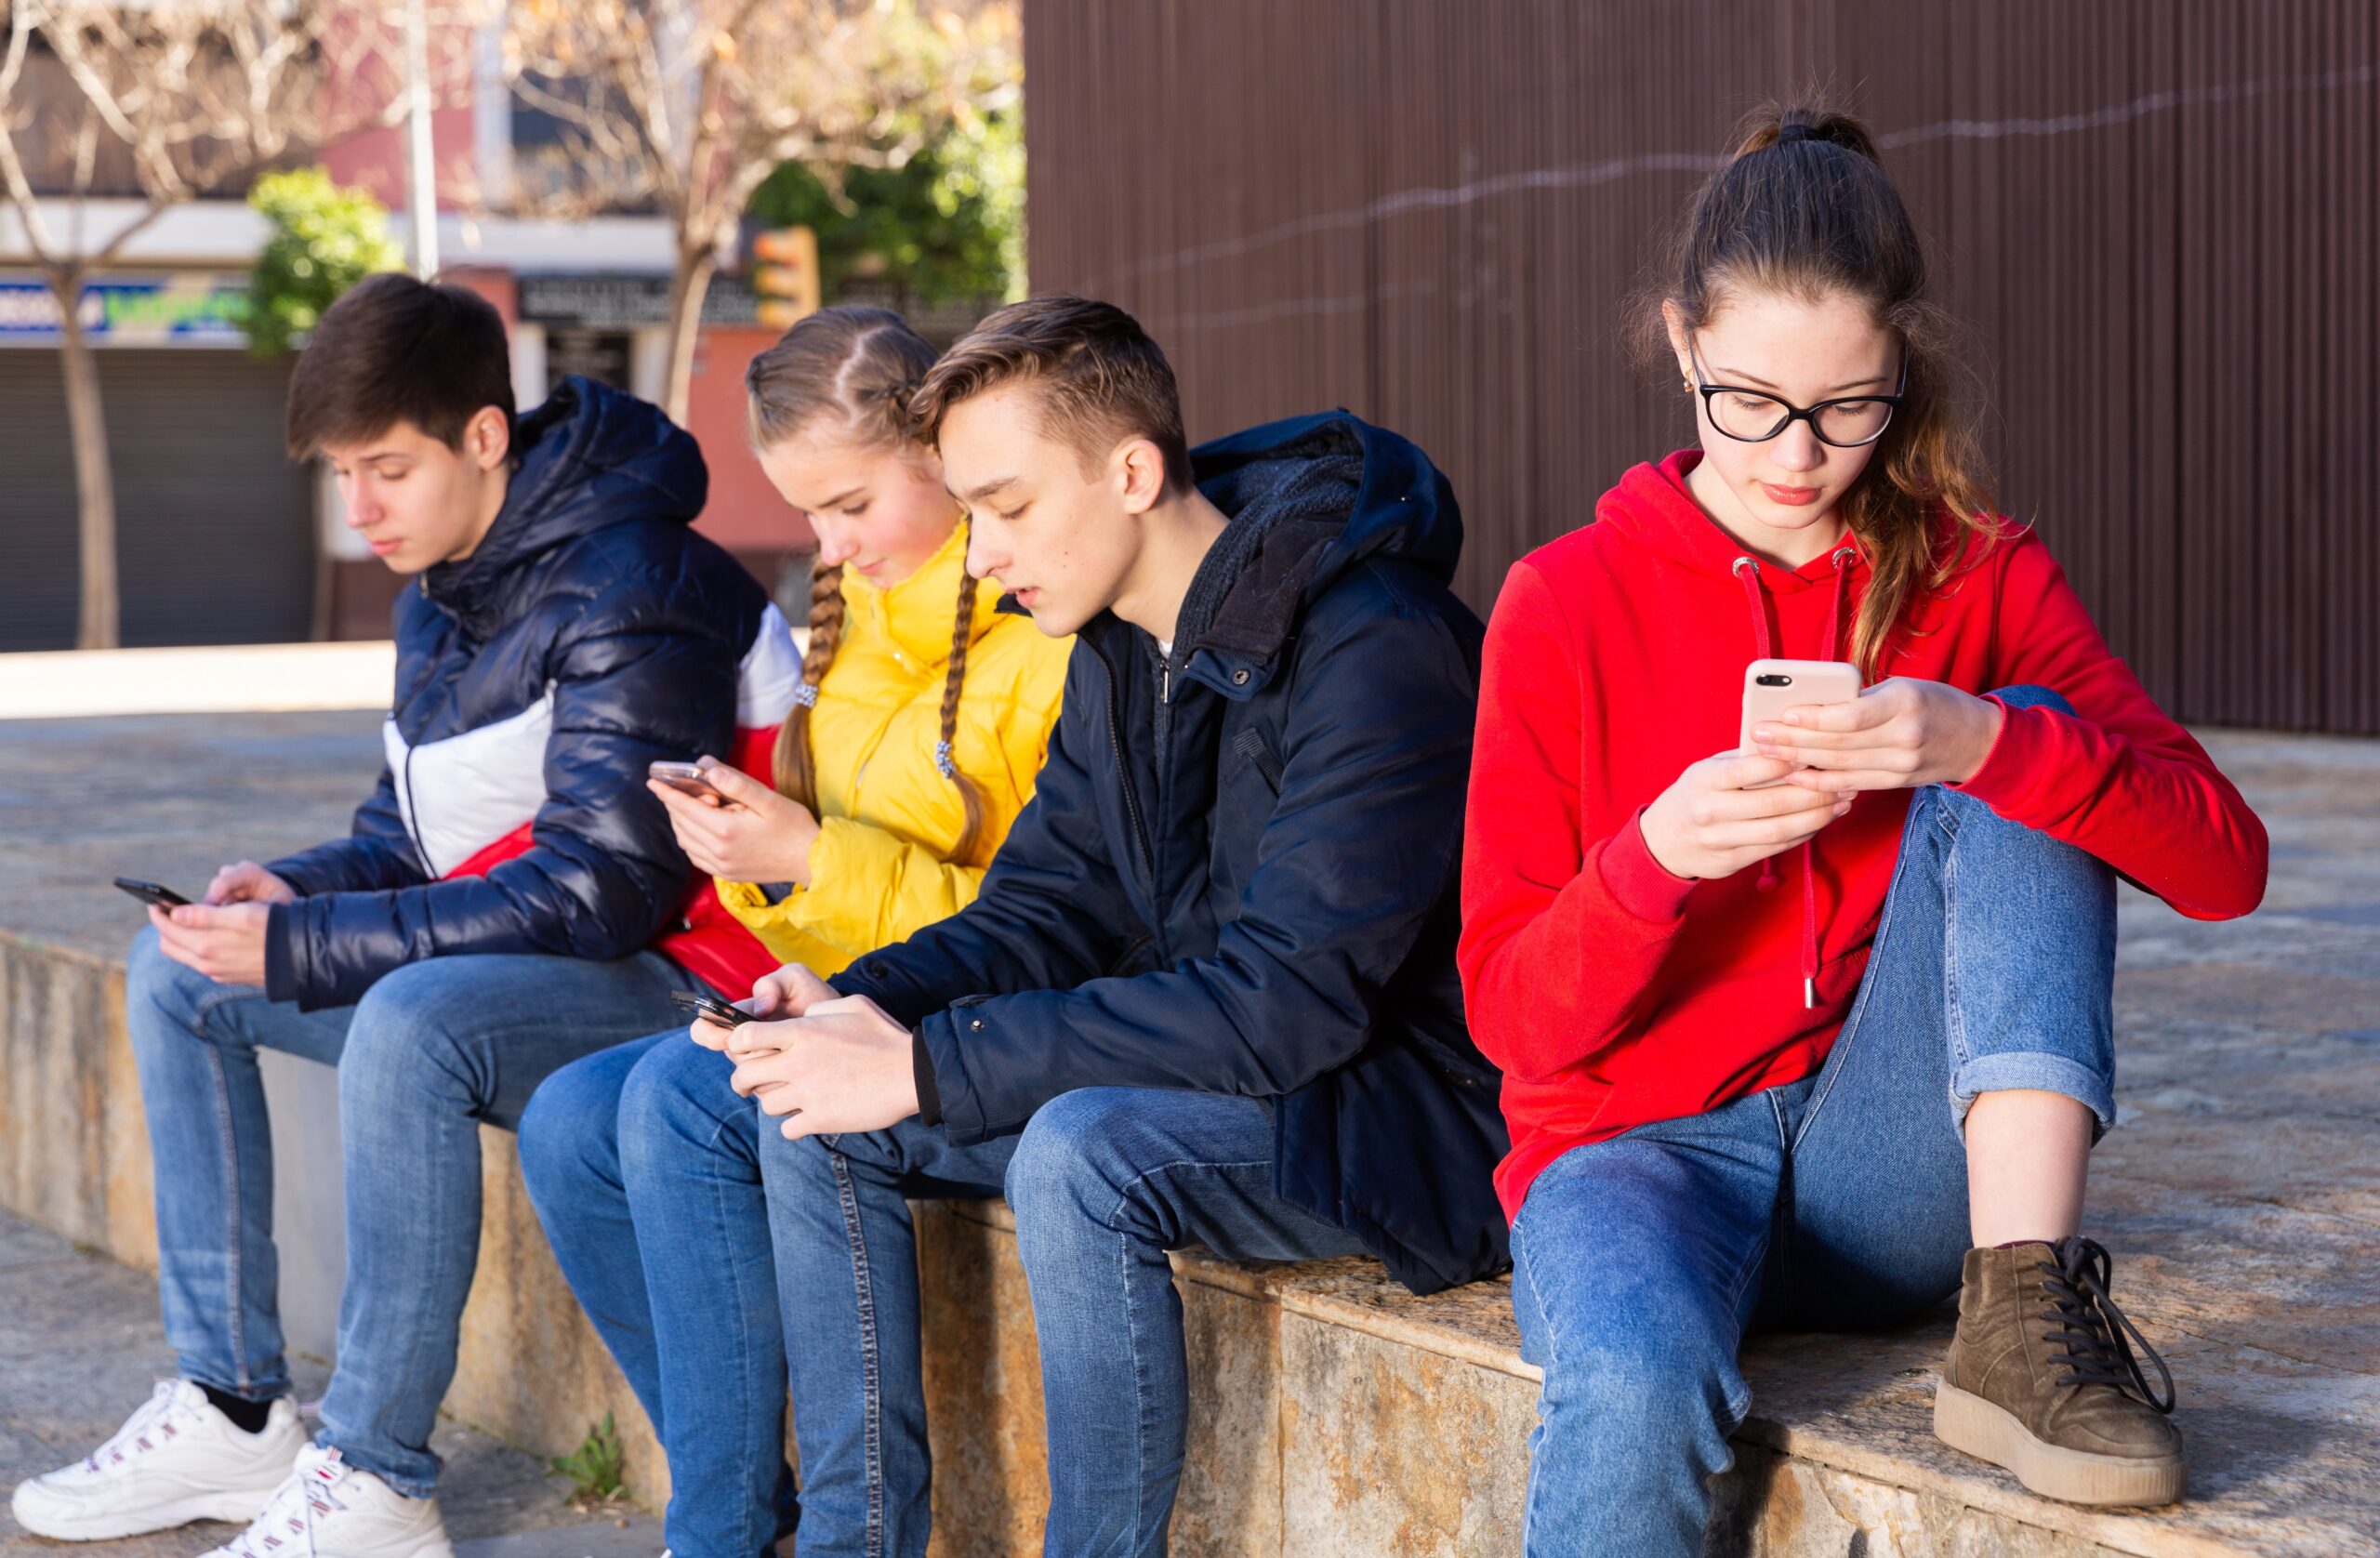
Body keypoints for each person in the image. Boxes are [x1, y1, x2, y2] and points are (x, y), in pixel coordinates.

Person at [1457, 106, 2269, 1556]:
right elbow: (1514, 1021)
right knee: (1634, 1377)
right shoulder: (1562, 599)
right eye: (1749, 401)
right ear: (1681, 343)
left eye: (1851, 407)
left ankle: (2021, 1309)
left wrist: (1984, 740)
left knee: (2023, 741)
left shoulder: (1978, 571)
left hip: (1887, 1173)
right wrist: (1656, 859)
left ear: (1905, 371)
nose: (1798, 454)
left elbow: (2225, 862)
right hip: (1632, 1156)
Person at [703, 295, 1510, 1557]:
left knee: (1081, 1153)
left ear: (1132, 472)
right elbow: (1046, 905)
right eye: (968, 513)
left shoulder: (1376, 648)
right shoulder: (1123, 647)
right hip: (1225, 1066)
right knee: (813, 1099)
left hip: (1396, 1110)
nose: (977, 556)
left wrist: (928, 1064)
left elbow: (1286, 1006)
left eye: (1008, 507)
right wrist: (869, 1006)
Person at [10, 273, 800, 1558]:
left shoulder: (634, 581)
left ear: (484, 437)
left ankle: (375, 1471)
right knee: (186, 978)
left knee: (415, 1024)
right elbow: (410, 837)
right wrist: (298, 893)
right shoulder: (441, 586)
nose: (358, 508)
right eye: (338, 474)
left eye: (385, 468)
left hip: (694, 974)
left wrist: (318, 944)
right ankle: (229, 1403)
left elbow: (612, 887)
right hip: (554, 963)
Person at [514, 305, 1072, 1558]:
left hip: (980, 1023)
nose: (832, 543)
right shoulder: (859, 618)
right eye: (811, 515)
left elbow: (1048, 917)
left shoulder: (1038, 623)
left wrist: (811, 855)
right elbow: (850, 878)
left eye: (853, 505)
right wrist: (761, 856)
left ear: (941, 453)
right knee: (566, 1122)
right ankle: (736, 1503)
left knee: (676, 1101)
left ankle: (719, 1533)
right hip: (860, 992)